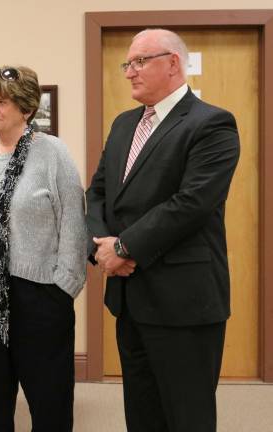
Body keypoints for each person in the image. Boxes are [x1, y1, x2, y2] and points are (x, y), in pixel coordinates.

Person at [86, 29, 240, 432]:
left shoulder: (212, 124)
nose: (129, 73)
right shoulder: (123, 125)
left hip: (183, 301)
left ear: (173, 63)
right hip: (130, 297)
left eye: (140, 62)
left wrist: (123, 245)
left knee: (186, 415)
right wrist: (101, 248)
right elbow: (99, 192)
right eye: (127, 64)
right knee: (142, 413)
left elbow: (192, 203)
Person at [0, 66, 87, 431]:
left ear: (26, 108)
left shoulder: (53, 153)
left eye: (3, 102)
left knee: (49, 400)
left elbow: (73, 220)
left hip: (39, 295)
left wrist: (65, 285)